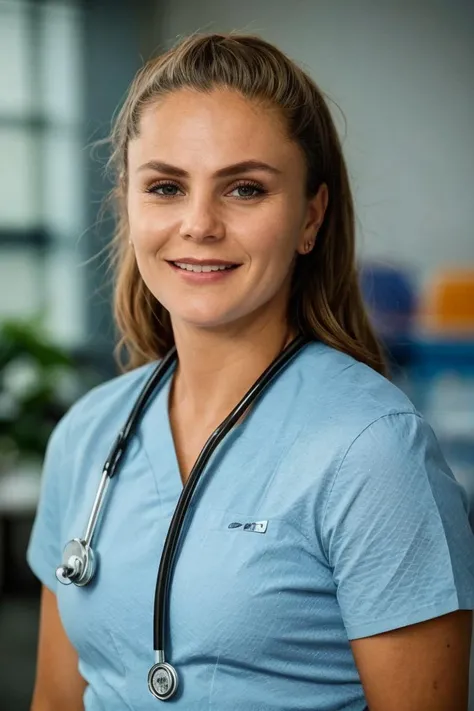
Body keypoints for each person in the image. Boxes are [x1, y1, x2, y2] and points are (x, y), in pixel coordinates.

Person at [28, 32, 474, 711]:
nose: (199, 224)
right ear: (129, 203)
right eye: (167, 186)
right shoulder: (88, 433)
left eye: (244, 188)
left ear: (310, 217)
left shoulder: (375, 452)